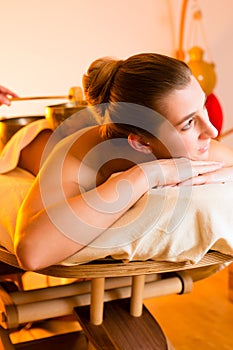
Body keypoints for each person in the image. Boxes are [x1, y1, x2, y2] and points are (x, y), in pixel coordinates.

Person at [14, 53, 233, 270]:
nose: (212, 131)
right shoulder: (76, 155)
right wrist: (145, 175)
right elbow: (31, 252)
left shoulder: (187, 144)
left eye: (203, 107)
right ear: (140, 142)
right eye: (188, 123)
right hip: (36, 143)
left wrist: (218, 175)